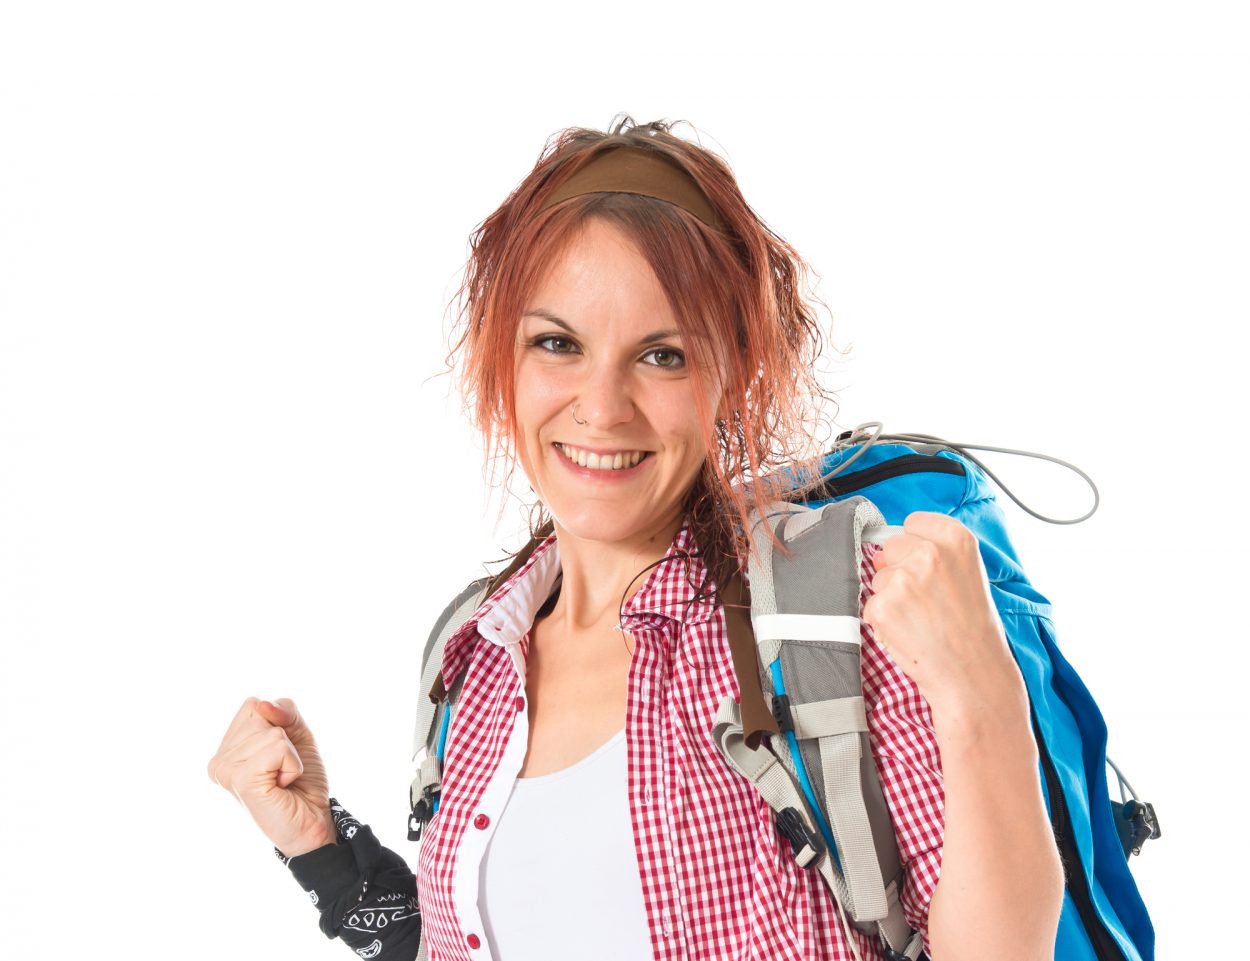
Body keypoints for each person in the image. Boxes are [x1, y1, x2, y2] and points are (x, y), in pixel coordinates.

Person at [207, 115, 1065, 961]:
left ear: (736, 372)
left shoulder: (834, 616)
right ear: (502, 359)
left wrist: (985, 698)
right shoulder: (471, 658)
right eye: (558, 343)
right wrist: (324, 852)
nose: (602, 406)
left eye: (663, 355)